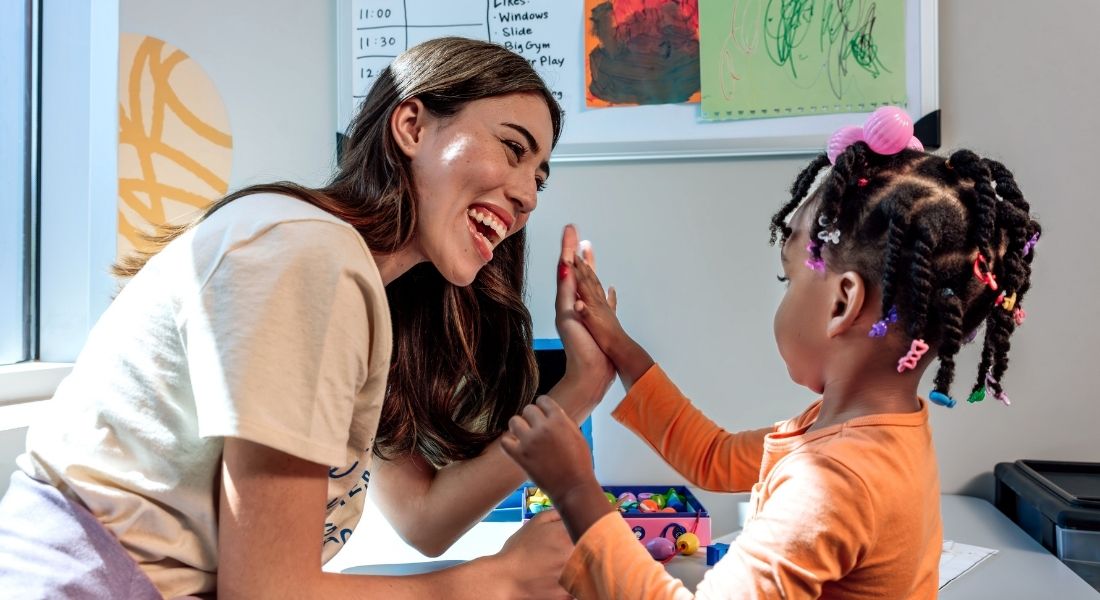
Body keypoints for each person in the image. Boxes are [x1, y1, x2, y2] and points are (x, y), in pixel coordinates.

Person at [0, 37, 614, 599]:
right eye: (512, 149)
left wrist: (584, 384)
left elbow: (425, 519)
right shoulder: (312, 259)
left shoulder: (355, 282)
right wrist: (500, 578)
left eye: (538, 177)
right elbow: (266, 590)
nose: (528, 194)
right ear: (411, 124)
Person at [502, 111, 1042, 599]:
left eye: (789, 278)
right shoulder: (872, 434)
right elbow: (712, 456)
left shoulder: (831, 481)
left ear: (843, 302)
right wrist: (617, 343)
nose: (783, 293)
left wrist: (574, 488)